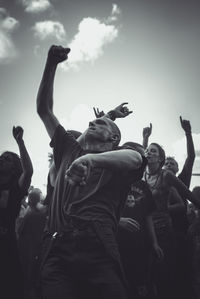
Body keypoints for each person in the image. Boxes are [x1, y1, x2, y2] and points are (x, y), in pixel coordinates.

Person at [36, 45, 146, 299]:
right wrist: (51, 64)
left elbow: (135, 158)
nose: (92, 123)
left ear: (114, 137)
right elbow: (44, 109)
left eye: (100, 123)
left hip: (98, 246)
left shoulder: (120, 157)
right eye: (91, 123)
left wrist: (92, 162)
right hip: (58, 248)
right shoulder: (69, 149)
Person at [144, 142, 199, 299]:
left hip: (164, 231)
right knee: (146, 272)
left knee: (165, 272)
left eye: (153, 151)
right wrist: (145, 138)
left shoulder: (166, 176)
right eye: (147, 151)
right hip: (146, 229)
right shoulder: (142, 175)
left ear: (159, 157)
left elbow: (189, 196)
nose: (148, 153)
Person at [117, 142, 163, 299]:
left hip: (140, 245)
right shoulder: (111, 181)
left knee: (141, 286)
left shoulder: (143, 185)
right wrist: (119, 221)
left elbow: (148, 215)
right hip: (117, 245)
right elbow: (100, 212)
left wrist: (154, 243)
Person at [0, 126, 33, 299]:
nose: (1, 160)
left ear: (14, 168)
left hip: (7, 245)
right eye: (1, 158)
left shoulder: (15, 188)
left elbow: (28, 171)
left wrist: (20, 141)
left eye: (6, 159)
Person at [18, 188, 47, 299]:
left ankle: (26, 289)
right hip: (36, 243)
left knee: (27, 268)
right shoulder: (41, 214)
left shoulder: (29, 214)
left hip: (27, 244)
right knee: (33, 267)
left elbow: (20, 230)